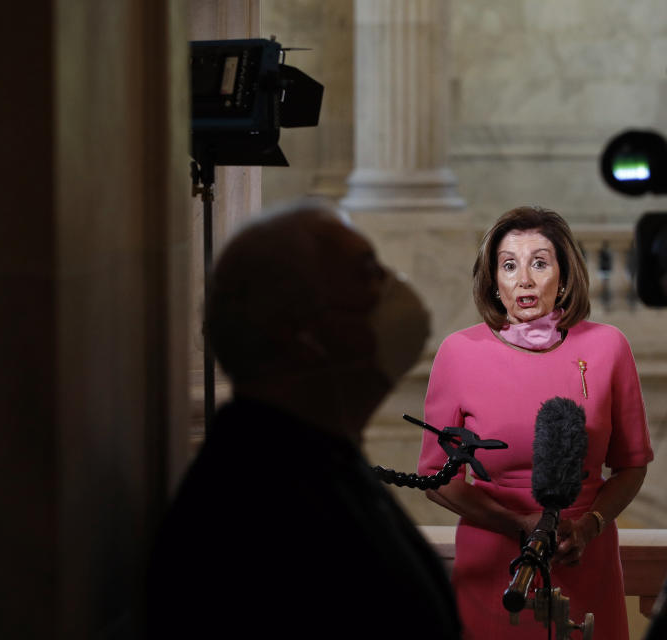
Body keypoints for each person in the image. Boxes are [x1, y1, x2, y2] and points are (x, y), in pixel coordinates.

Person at [146, 199, 461, 639]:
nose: (394, 290)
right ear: (301, 332)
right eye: (368, 274)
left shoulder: (319, 458)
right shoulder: (255, 507)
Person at [417, 205, 653, 640]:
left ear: (564, 277)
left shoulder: (609, 347)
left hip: (583, 557)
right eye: (509, 265)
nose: (524, 279)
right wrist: (518, 525)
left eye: (539, 263)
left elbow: (632, 465)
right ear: (494, 282)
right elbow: (434, 476)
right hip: (493, 561)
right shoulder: (458, 353)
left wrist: (589, 526)